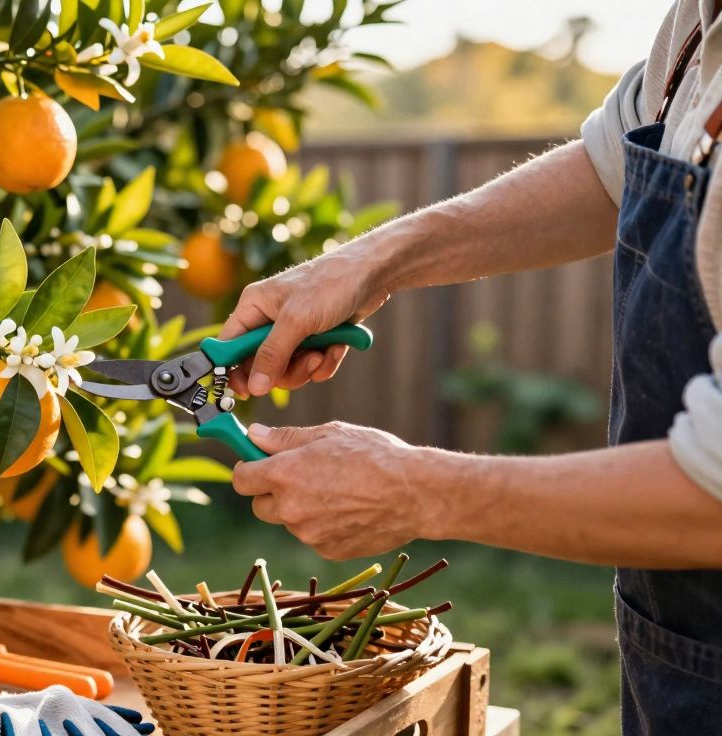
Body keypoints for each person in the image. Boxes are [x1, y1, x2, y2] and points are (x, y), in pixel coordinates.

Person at [225, 2, 722, 732]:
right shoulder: (695, 25)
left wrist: (417, 491)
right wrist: (372, 261)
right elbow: (611, 162)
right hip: (678, 643)